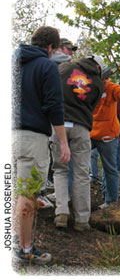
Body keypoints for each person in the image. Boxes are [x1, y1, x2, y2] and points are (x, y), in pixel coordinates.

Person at [12, 26, 71, 264]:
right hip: (31, 138)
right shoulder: (46, 66)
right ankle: (24, 250)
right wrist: (63, 143)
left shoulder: (13, 62)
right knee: (27, 195)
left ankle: (16, 240)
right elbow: (54, 107)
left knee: (14, 192)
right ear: (51, 48)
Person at [52, 55, 105, 231]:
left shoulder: (65, 69)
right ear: (98, 67)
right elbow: (93, 106)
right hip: (81, 127)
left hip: (59, 124)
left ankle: (61, 212)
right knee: (82, 173)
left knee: (60, 170)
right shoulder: (98, 82)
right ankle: (82, 220)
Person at [90, 74, 120, 209]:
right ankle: (73, 196)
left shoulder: (112, 88)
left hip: (107, 136)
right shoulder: (90, 87)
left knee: (110, 169)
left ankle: (111, 202)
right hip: (90, 133)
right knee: (76, 162)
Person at [46, 38, 78, 202]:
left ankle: (64, 195)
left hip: (66, 118)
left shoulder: (71, 70)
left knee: (65, 159)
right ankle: (58, 191)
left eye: (72, 50)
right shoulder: (50, 65)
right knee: (56, 157)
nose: (71, 53)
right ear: (59, 48)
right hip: (51, 117)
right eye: (69, 49)